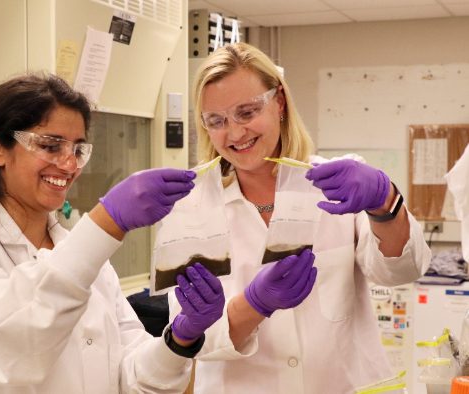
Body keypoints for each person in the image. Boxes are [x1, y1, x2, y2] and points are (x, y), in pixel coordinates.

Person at [0, 72, 232, 394]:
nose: (69, 164)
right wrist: (106, 223)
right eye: (49, 146)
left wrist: (180, 338)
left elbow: (132, 378)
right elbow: (5, 347)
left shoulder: (88, 260)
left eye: (77, 149)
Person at [178, 42, 432, 393]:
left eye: (247, 112)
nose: (235, 133)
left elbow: (402, 270)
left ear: (279, 102)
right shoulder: (189, 208)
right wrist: (254, 305)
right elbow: (190, 340)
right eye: (216, 121)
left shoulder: (337, 182)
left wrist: (384, 201)